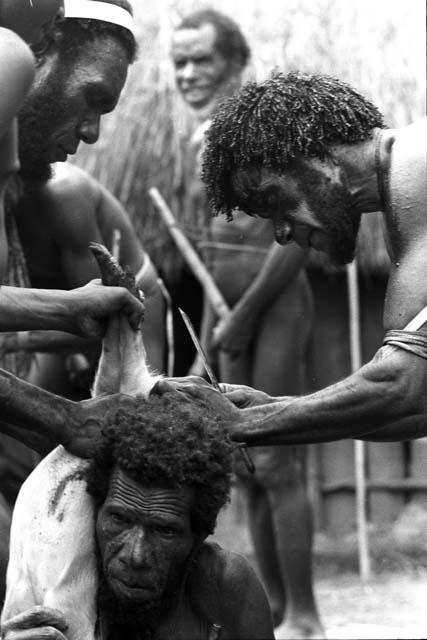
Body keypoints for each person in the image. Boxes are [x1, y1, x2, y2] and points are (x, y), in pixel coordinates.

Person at [171, 12, 323, 637]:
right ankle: (280, 612)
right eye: (178, 62)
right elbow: (208, 253)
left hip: (276, 307)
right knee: (247, 468)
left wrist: (247, 317)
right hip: (230, 320)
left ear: (235, 64)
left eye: (201, 60)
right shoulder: (195, 143)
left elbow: (301, 237)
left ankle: (308, 616)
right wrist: (210, 335)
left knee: (280, 465)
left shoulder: (264, 135)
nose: (187, 73)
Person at [177, 71, 427, 446]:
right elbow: (418, 406)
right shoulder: (404, 195)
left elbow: (401, 386)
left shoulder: (417, 170)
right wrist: (269, 408)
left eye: (274, 201)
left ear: (315, 155)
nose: (281, 234)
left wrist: (245, 423)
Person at [2, 391, 274, 640]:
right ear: (96, 512)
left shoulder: (227, 589)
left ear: (199, 533)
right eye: (119, 520)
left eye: (164, 531)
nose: (135, 555)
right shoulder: (50, 578)